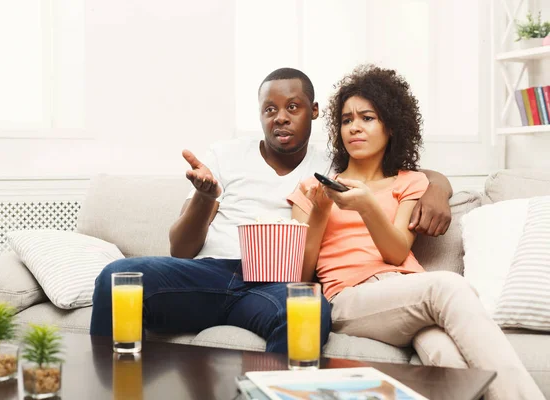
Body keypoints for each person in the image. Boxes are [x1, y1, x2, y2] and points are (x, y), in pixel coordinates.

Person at [89, 67, 452, 354]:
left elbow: (403, 172)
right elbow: (180, 249)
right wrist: (205, 197)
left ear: (314, 112)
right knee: (117, 276)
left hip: (276, 285)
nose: (280, 117)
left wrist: (438, 189)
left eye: (292, 107)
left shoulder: (335, 163)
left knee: (308, 311)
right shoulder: (224, 155)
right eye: (270, 109)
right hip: (209, 275)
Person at [288, 64, 543, 400]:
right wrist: (320, 213)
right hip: (349, 297)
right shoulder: (310, 189)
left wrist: (366, 205)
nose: (354, 127)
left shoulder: (410, 182)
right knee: (448, 286)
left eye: (367, 117)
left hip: (407, 291)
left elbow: (395, 253)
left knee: (447, 357)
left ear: (390, 126)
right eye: (347, 120)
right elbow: (299, 275)